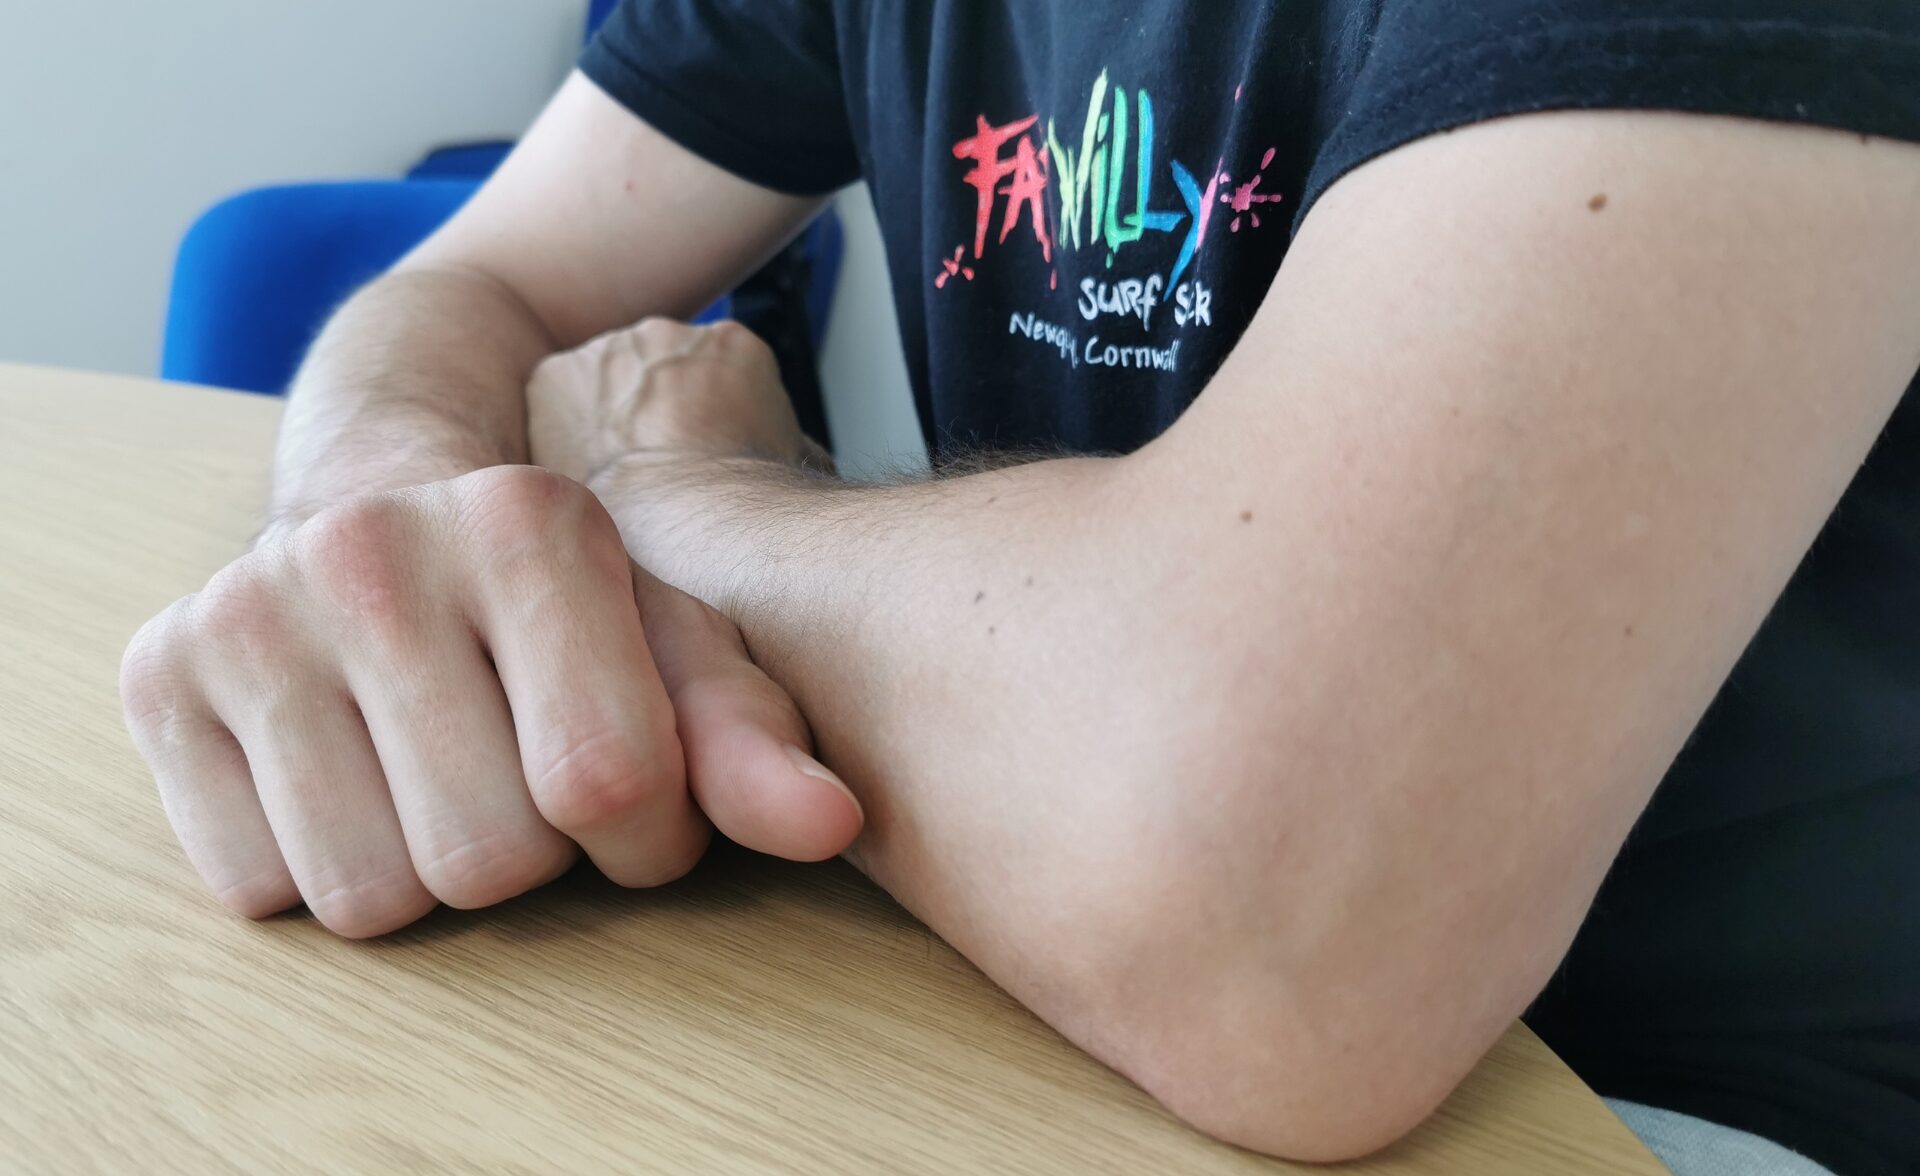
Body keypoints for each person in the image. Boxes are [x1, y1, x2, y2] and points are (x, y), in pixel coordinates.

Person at [119, 2, 1920, 1171]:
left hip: (1677, 1111)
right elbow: (466, 285)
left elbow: (1275, 907)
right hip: (1017, 969)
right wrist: (405, 520)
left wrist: (644, 493)